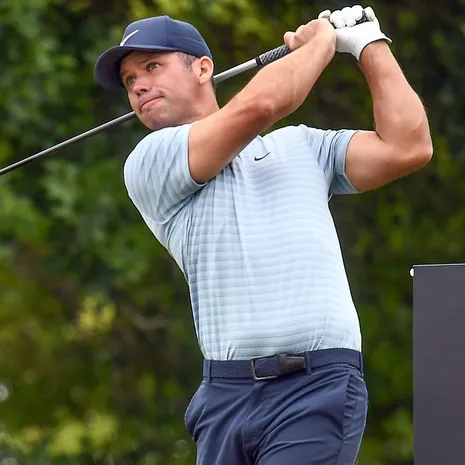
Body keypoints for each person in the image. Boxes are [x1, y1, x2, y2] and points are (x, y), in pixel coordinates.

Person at [94, 5, 432, 465]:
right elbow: (261, 105)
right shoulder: (150, 161)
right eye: (130, 80)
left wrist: (368, 44)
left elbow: (407, 146)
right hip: (225, 397)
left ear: (203, 69)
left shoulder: (304, 146)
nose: (138, 86)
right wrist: (321, 43)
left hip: (316, 389)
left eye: (152, 67)